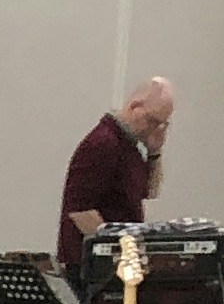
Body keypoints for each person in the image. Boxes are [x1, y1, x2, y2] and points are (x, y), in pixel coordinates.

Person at [57, 78, 172, 271]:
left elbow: (150, 192)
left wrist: (155, 152)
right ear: (136, 107)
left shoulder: (131, 148)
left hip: (115, 264)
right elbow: (79, 211)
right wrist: (119, 254)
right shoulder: (103, 143)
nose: (156, 129)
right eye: (153, 121)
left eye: (163, 124)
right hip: (93, 268)